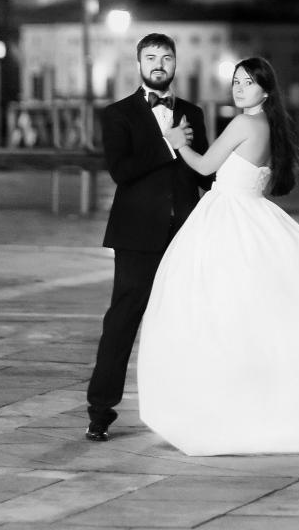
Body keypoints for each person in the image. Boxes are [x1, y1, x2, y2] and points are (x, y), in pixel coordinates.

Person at [137, 56, 299, 456]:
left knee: (210, 310)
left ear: (265, 89)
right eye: (236, 81)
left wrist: (178, 144)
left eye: (248, 82)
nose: (239, 88)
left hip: (227, 216)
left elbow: (206, 167)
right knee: (257, 313)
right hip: (254, 216)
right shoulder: (270, 126)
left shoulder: (245, 123)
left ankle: (219, 402)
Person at [85, 33, 211, 442]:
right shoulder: (117, 114)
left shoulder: (193, 111)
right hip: (137, 236)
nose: (159, 64)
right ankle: (100, 410)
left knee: (187, 323)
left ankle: (187, 407)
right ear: (138, 63)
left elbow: (204, 171)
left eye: (167, 57)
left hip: (184, 234)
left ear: (176, 64)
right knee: (122, 320)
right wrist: (169, 146)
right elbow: (121, 171)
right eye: (151, 57)